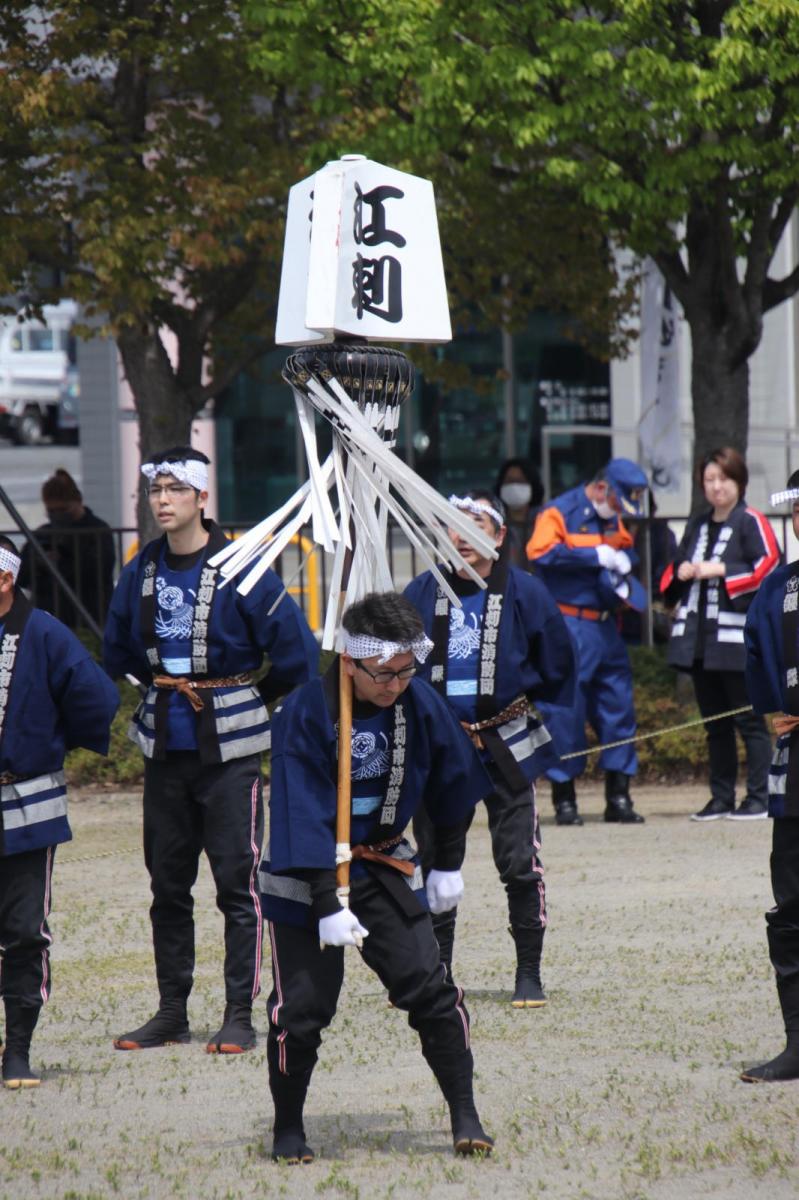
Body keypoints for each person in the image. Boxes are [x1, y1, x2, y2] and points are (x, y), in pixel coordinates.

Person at [259, 592, 495, 1162]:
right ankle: (288, 1127)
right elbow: (302, 810)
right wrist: (327, 902)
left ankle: (466, 1114)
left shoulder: (419, 701)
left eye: (405, 670)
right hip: (307, 874)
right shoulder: (304, 712)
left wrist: (448, 863)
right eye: (382, 673)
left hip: (384, 862)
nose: (394, 683)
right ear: (349, 662)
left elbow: (454, 783)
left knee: (431, 989)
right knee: (305, 1009)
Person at [103, 446, 318, 1056]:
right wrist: (161, 692)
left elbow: (297, 655)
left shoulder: (243, 567)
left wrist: (248, 700)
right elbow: (117, 651)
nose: (162, 500)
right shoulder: (140, 570)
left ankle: (238, 1014)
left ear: (202, 497)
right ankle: (171, 1010)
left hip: (232, 751)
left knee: (237, 884)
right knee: (167, 885)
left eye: (175, 489)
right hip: (164, 744)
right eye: (155, 490)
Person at [404, 490, 574, 1005]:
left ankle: (528, 972)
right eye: (454, 526)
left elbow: (557, 664)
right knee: (435, 860)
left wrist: (518, 707)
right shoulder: (421, 592)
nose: (463, 537)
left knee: (519, 860)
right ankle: (437, 973)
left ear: (499, 536)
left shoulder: (525, 592)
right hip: (440, 746)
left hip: (506, 738)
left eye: (476, 525)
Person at [0, 536, 119, 1088]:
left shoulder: (44, 631)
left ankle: (17, 1049)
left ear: (5, 579)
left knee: (24, 929)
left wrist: (44, 744)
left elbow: (96, 697)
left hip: (25, 802)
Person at [527, 457, 649, 826]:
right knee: (566, 711)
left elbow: (623, 544)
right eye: (616, 503)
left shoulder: (612, 513)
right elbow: (540, 552)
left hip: (606, 625)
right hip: (569, 623)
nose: (617, 513)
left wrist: (625, 559)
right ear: (601, 488)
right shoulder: (557, 512)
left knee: (618, 706)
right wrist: (594, 554)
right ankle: (566, 801)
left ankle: (619, 797)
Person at [661, 447, 779, 821]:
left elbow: (768, 564)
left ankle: (759, 797)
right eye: (709, 480)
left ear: (739, 482)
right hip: (698, 639)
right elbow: (673, 569)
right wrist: (680, 572)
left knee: (749, 721)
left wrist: (720, 569)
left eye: (723, 479)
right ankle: (721, 797)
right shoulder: (697, 524)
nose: (716, 487)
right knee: (715, 725)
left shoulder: (751, 521)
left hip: (734, 639)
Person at [740, 470, 799, 1081]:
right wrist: (769, 708)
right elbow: (756, 653)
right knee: (791, 903)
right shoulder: (777, 586)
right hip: (796, 762)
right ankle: (797, 1040)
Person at [18, 469, 115, 627]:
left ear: (78, 501)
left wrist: (62, 561)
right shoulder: (43, 534)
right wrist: (38, 563)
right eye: (51, 511)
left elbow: (99, 571)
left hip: (88, 618)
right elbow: (21, 575)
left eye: (63, 510)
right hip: (48, 616)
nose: (57, 515)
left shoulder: (98, 531)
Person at [494, 458, 544, 568]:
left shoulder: (544, 521)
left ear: (532, 485)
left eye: (521, 481)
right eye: (509, 481)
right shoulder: (495, 524)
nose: (514, 486)